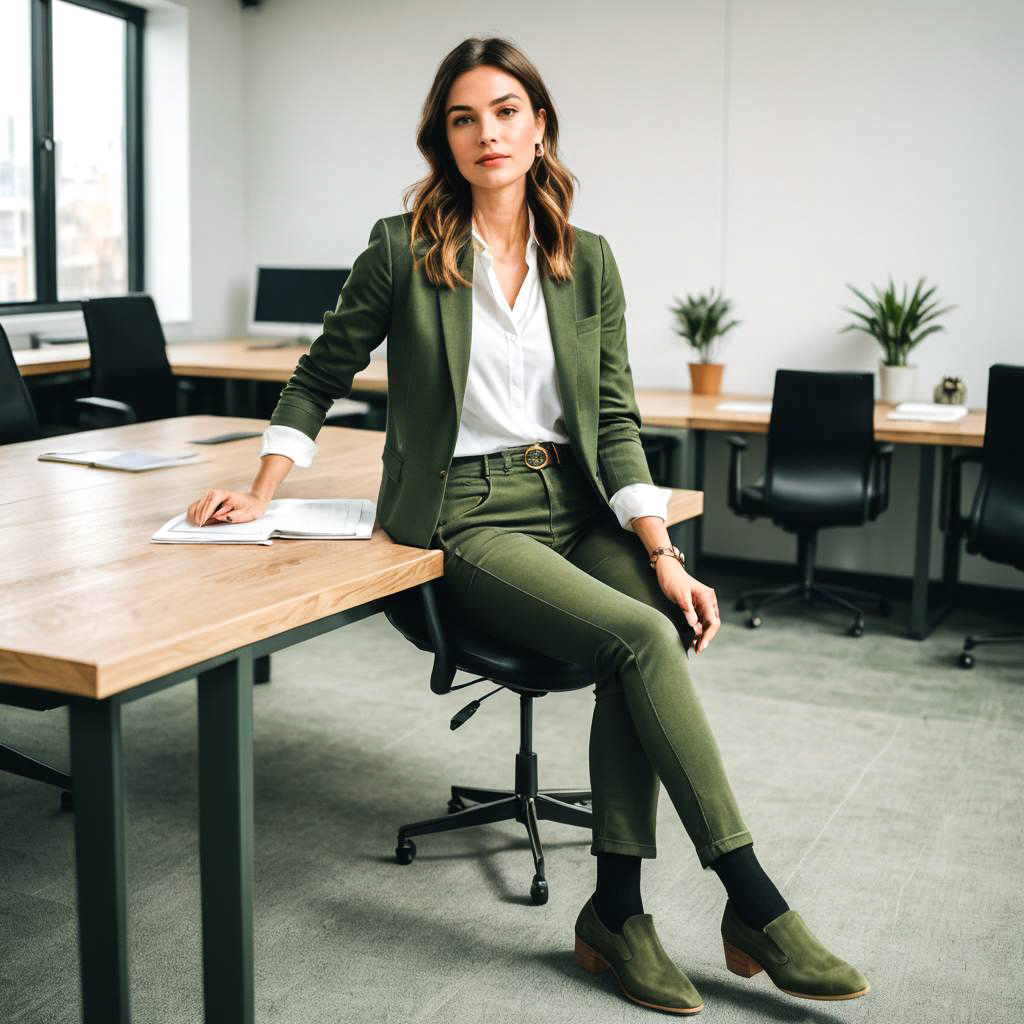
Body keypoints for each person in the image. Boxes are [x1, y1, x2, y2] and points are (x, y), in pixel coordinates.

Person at [186, 37, 869, 1017]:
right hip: (465, 513)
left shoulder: (586, 262)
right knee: (635, 638)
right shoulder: (403, 247)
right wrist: (260, 488)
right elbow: (319, 373)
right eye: (463, 117)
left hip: (575, 504)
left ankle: (617, 910)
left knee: (657, 618)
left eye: (505, 110)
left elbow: (617, 416)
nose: (487, 132)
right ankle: (752, 898)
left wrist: (660, 552)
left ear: (538, 125)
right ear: (444, 139)